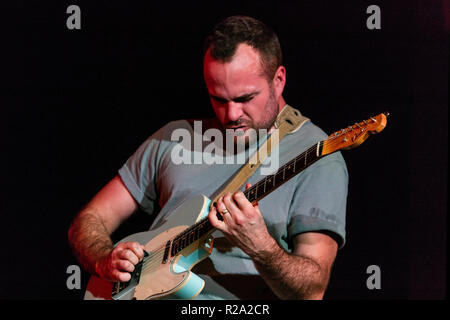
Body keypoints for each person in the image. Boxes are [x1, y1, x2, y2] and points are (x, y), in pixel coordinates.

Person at [68, 15, 348, 300]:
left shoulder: (316, 154)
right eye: (219, 99)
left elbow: (312, 291)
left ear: (278, 81)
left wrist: (261, 246)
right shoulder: (174, 137)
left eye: (245, 98)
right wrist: (104, 259)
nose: (231, 115)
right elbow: (91, 219)